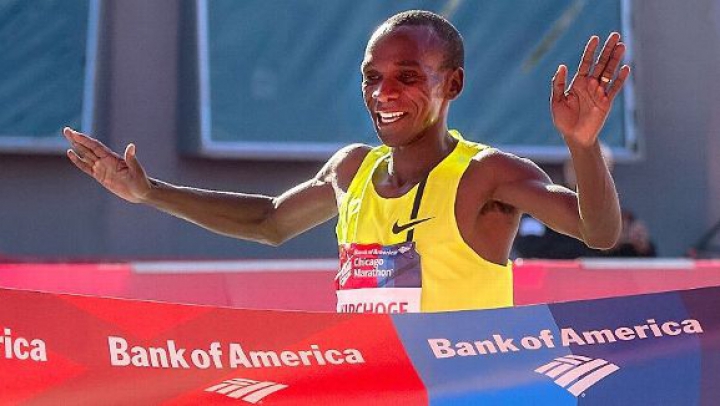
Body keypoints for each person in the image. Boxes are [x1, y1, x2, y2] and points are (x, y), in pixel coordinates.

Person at [64, 10, 629, 313]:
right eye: (372, 78)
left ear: (452, 83)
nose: (384, 93)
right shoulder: (350, 170)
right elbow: (269, 221)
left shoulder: (486, 174)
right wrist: (149, 193)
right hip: (375, 388)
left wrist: (581, 146)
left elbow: (597, 231)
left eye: (408, 77)